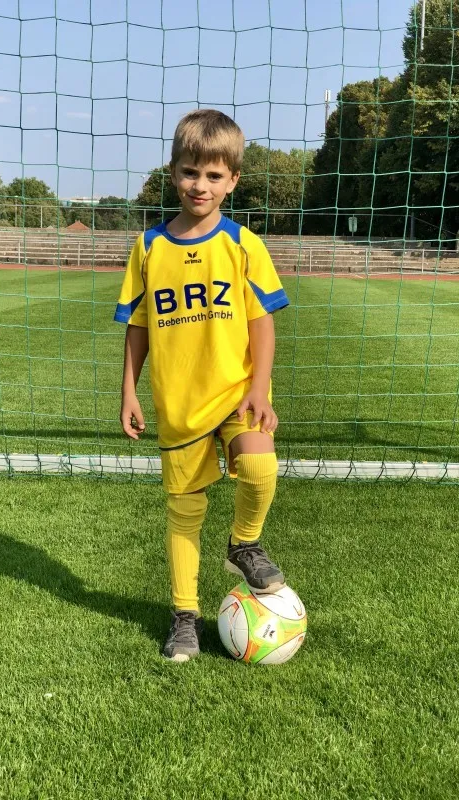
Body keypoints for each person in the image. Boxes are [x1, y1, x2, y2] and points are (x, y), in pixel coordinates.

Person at [115, 109, 289, 662]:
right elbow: (138, 326)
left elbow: (263, 321)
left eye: (214, 175)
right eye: (191, 172)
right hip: (179, 404)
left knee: (259, 465)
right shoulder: (148, 247)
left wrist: (259, 387)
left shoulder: (243, 244)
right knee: (184, 511)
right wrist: (128, 390)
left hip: (237, 391)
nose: (201, 185)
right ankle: (184, 616)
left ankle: (244, 543)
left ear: (233, 180)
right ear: (174, 173)